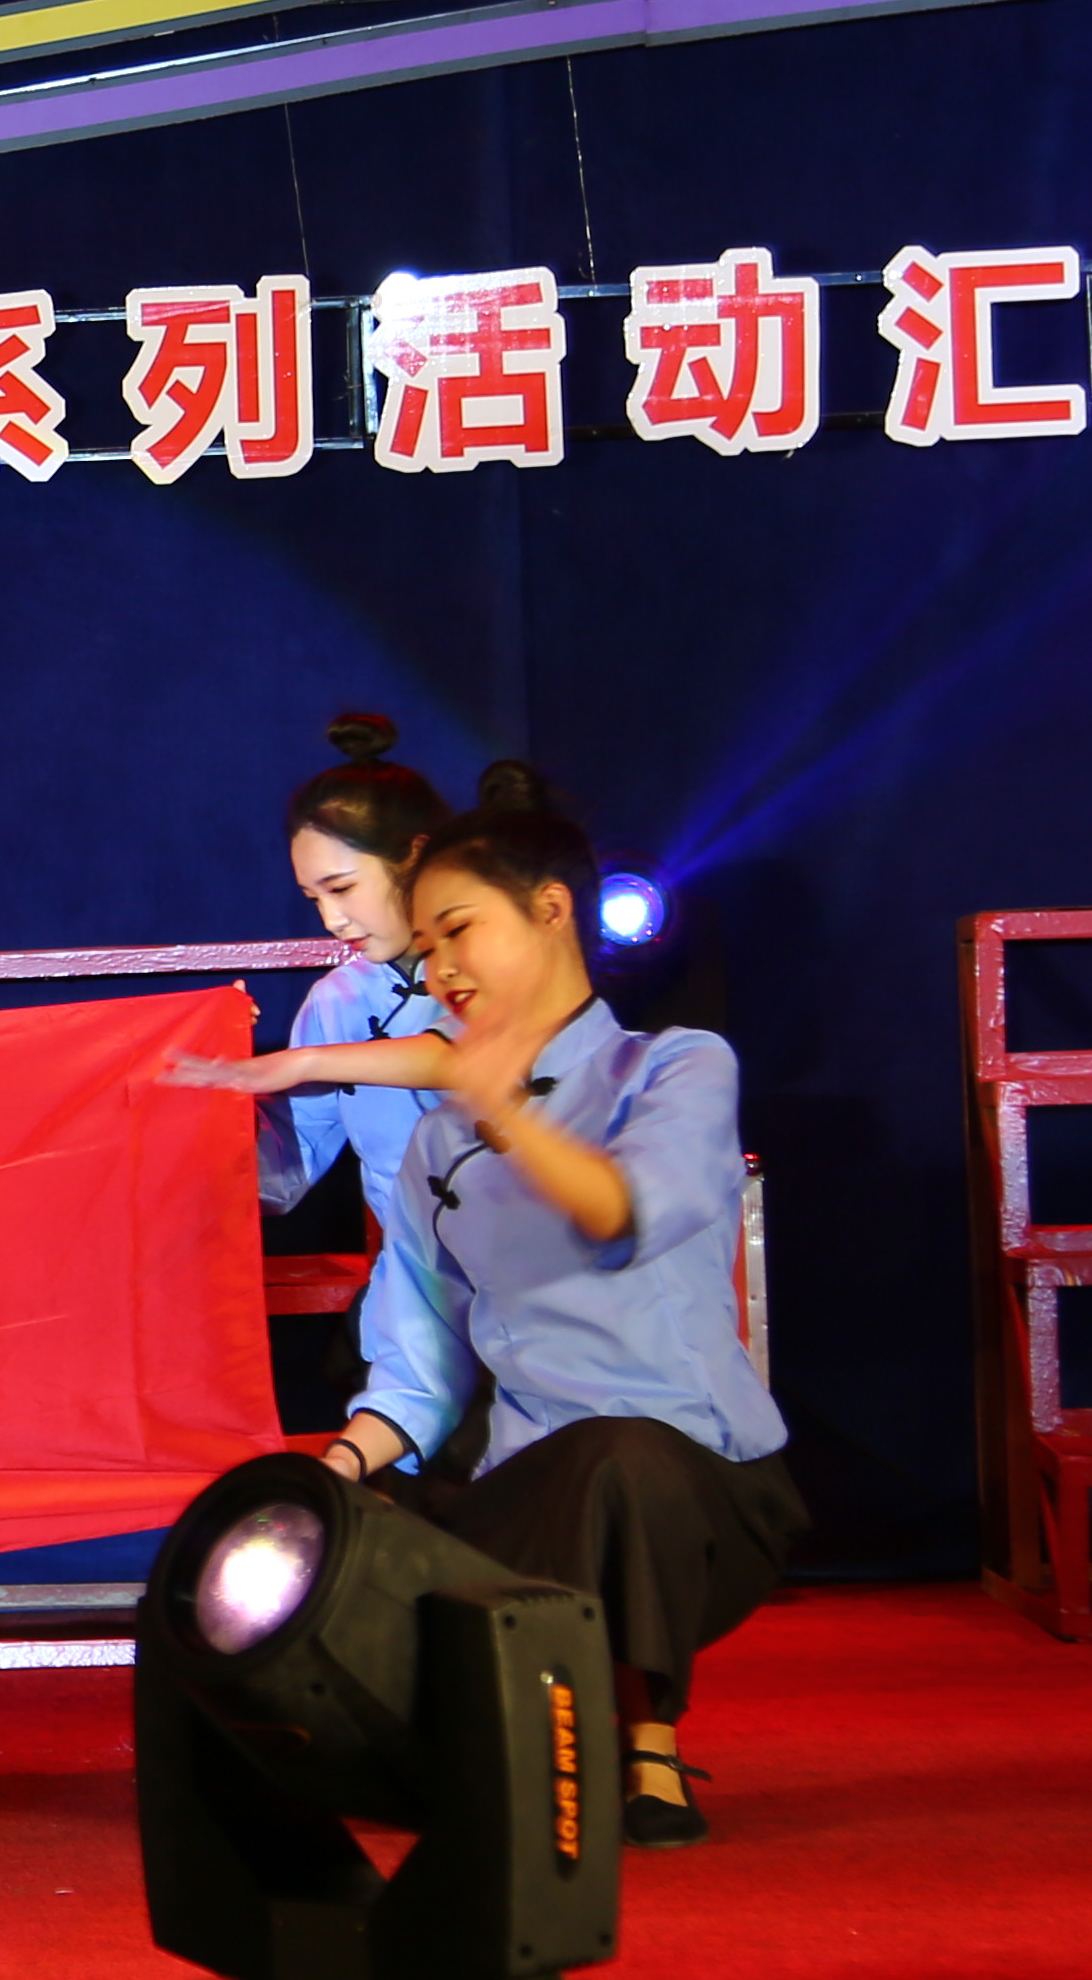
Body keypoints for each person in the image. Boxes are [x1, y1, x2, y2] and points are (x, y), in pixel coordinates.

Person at [305, 767, 798, 1846]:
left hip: (692, 1488)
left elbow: (623, 1213)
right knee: (326, 1541)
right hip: (522, 1489)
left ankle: (637, 1745)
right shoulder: (438, 1142)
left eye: (459, 931)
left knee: (616, 1458)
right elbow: (425, 1361)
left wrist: (507, 1112)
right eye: (425, 946)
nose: (440, 970)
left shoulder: (675, 1068)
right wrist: (336, 1470)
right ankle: (468, 1744)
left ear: (551, 908)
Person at [204, 713, 464, 1222]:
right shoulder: (337, 999)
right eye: (314, 898)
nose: (331, 920)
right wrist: (221, 1076)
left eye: (341, 888)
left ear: (415, 857)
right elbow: (282, 1168)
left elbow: (471, 1058)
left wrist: (308, 1062)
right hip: (414, 1263)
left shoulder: (497, 968)